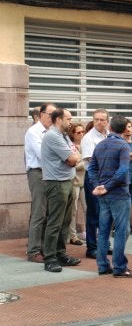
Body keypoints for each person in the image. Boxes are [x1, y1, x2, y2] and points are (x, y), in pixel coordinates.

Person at [89, 115, 132, 278]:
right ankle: (119, 267)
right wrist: (106, 186)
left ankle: (103, 265)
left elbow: (92, 169)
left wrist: (99, 186)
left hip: (104, 195)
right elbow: (123, 170)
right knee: (121, 231)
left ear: (110, 127)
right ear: (125, 129)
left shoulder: (100, 145)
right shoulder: (123, 146)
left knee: (103, 230)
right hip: (119, 194)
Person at [41, 108, 82, 272]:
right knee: (54, 222)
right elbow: (73, 157)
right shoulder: (52, 136)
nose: (70, 122)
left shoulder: (64, 136)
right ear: (58, 119)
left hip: (67, 181)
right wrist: (72, 158)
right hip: (56, 183)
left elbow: (75, 155)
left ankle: (60, 253)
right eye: (68, 119)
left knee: (65, 221)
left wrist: (73, 158)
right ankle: (50, 258)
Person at [24, 102, 56, 263]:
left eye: (55, 115)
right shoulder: (34, 131)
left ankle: (45, 248)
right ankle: (33, 251)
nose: (53, 118)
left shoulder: (53, 131)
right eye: (50, 115)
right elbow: (42, 154)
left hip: (51, 174)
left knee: (49, 213)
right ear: (42, 114)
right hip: (38, 173)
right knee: (39, 213)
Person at [81, 108, 109, 259]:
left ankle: (103, 245)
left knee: (106, 213)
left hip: (108, 179)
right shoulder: (88, 138)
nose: (99, 122)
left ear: (107, 121)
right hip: (94, 179)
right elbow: (92, 160)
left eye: (102, 119)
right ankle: (91, 247)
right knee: (94, 213)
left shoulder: (109, 135)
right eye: (96, 119)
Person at [67, 123, 86, 246]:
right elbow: (72, 165)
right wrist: (83, 162)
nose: (81, 134)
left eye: (82, 131)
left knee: (87, 207)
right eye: (78, 132)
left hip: (85, 180)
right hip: (74, 181)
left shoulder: (84, 144)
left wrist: (82, 161)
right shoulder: (70, 146)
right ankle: (72, 236)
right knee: (73, 210)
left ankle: (87, 232)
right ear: (72, 134)